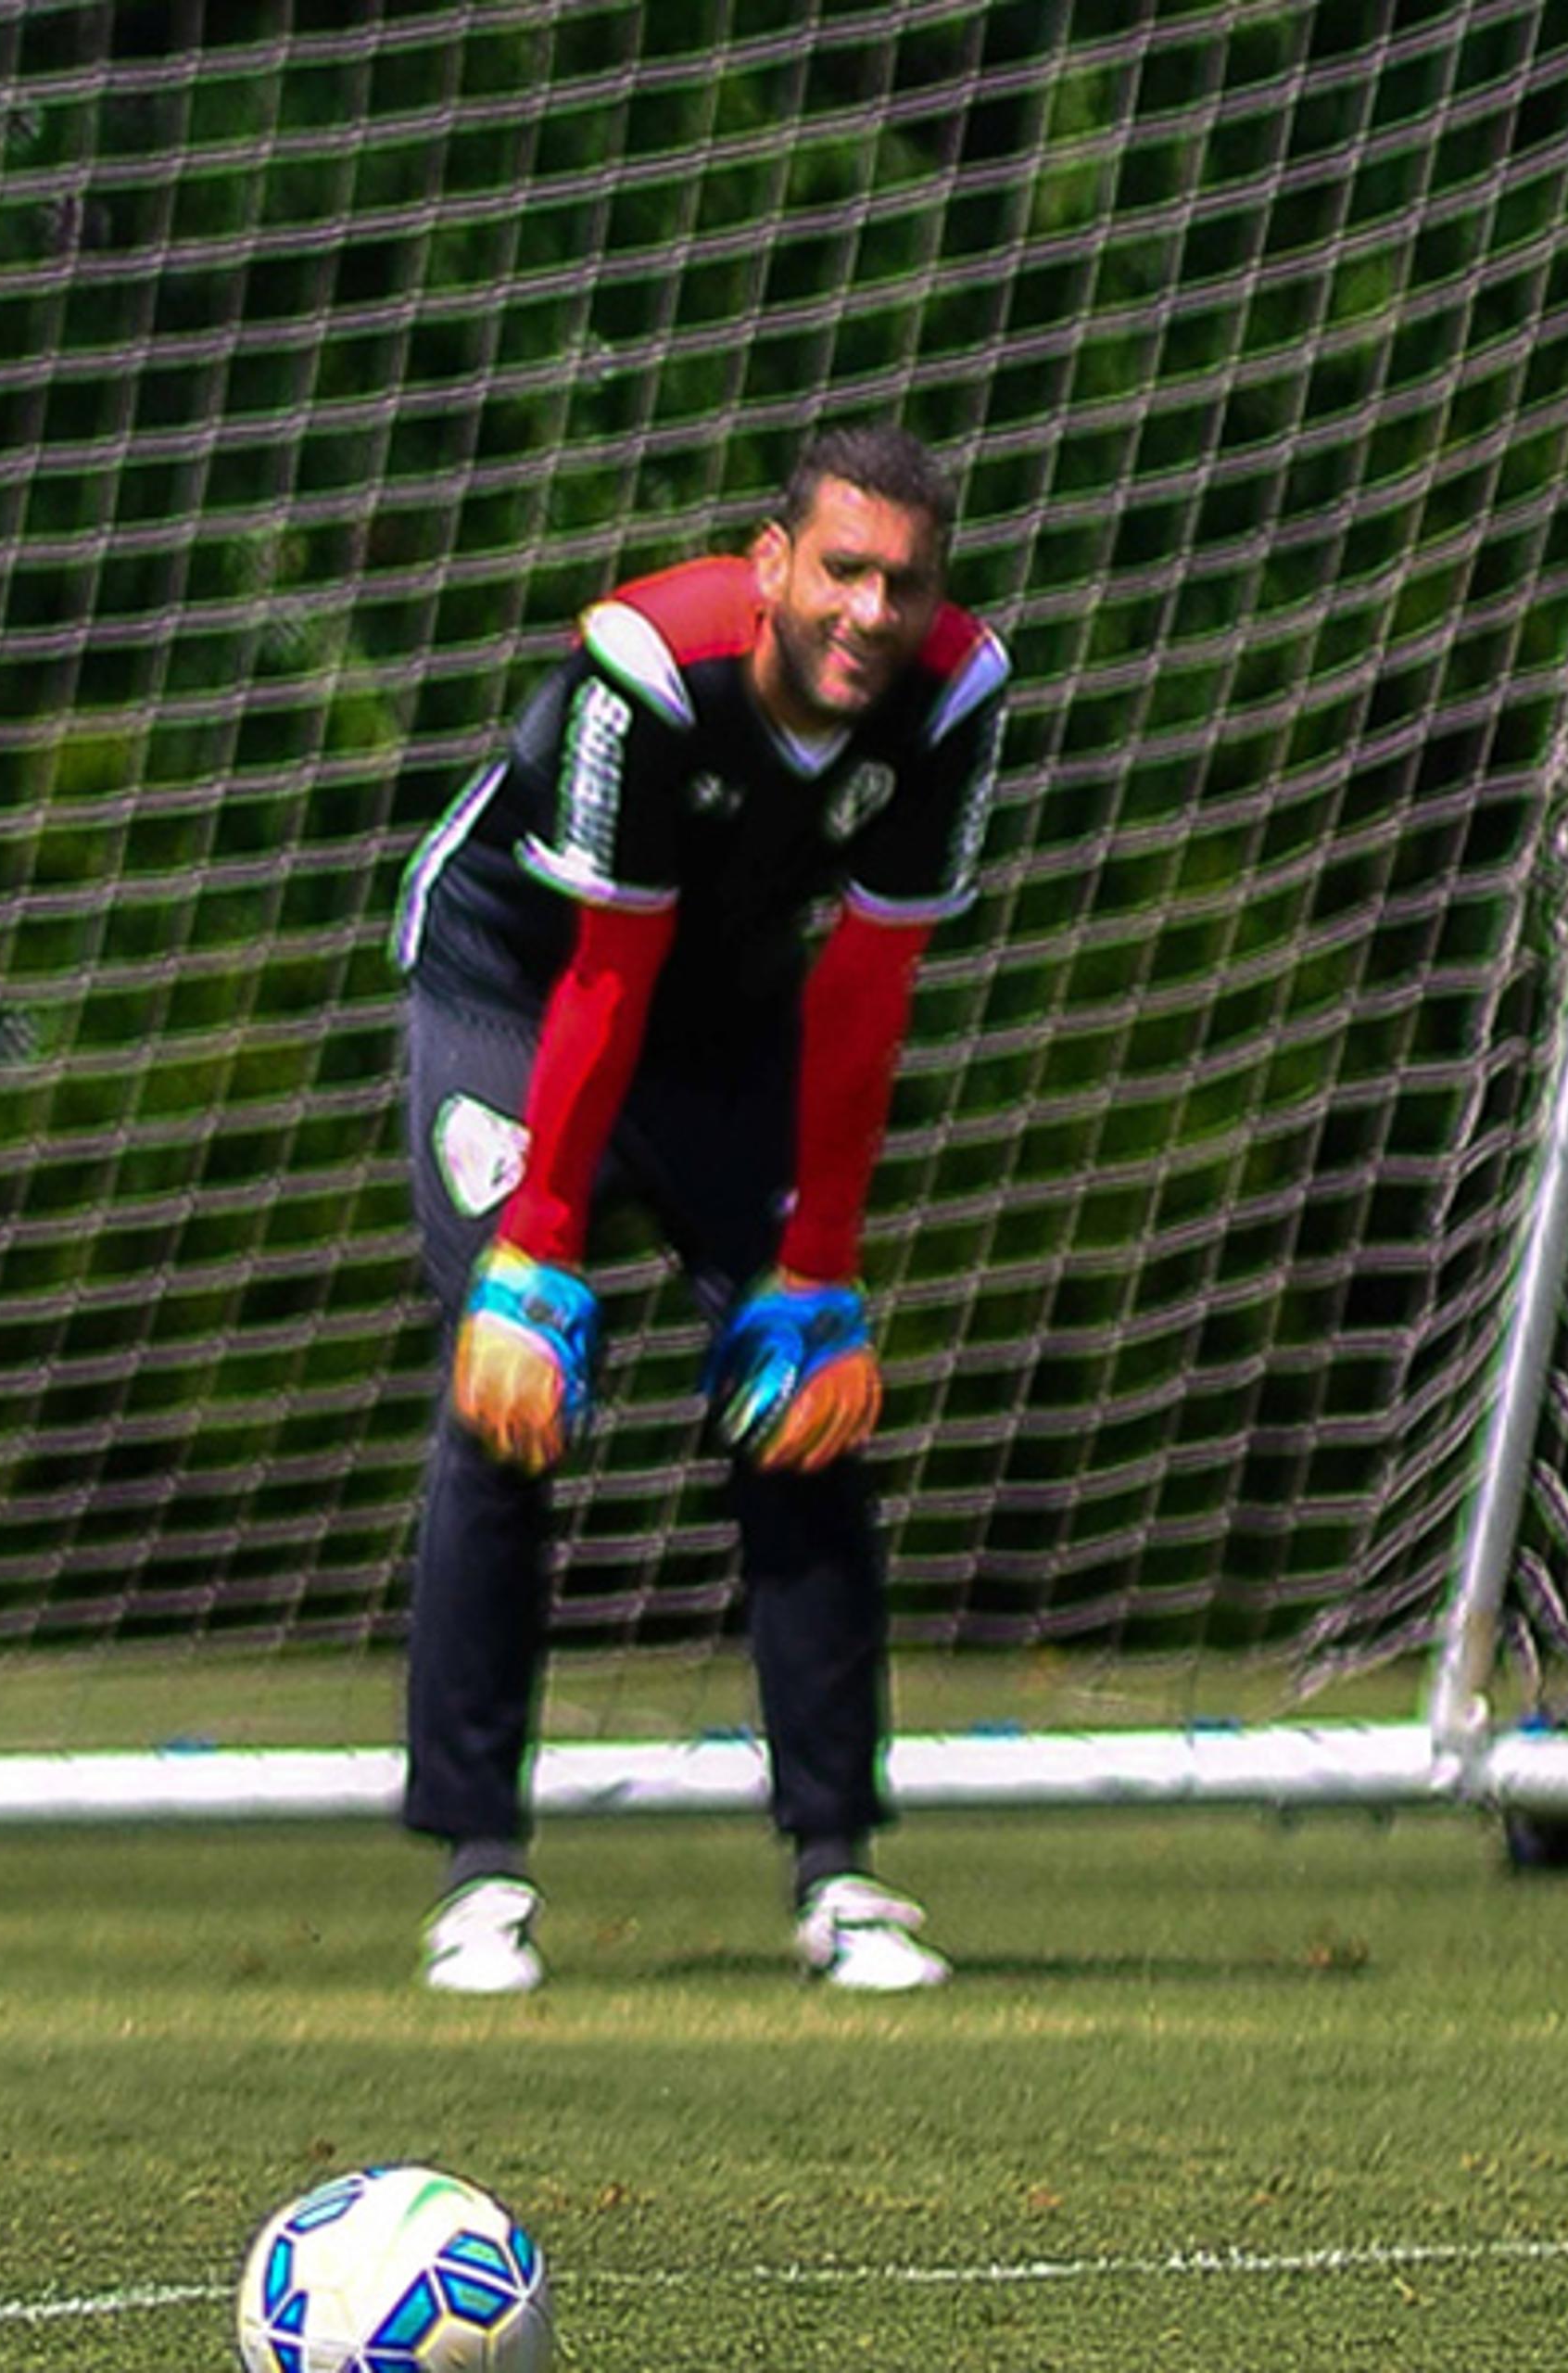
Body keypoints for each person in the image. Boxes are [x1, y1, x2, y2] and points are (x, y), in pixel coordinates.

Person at [390, 425, 1010, 1997]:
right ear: (771, 562)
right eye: (843, 572)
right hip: (519, 1000)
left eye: (906, 583)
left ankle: (840, 1874)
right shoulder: (648, 669)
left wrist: (819, 1275)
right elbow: (604, 967)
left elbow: (868, 990)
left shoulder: (959, 696)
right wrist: (533, 1249)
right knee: (511, 1386)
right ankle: (480, 1874)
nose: (873, 613)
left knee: (800, 1400)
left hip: (731, 1027)